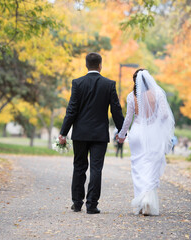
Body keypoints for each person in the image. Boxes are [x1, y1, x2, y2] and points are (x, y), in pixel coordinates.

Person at [59, 52, 124, 214]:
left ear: (86, 65)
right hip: (99, 135)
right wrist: (121, 131)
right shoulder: (109, 84)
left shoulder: (78, 83)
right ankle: (92, 204)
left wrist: (63, 133)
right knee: (96, 168)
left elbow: (71, 110)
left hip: (80, 133)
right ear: (100, 65)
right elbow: (116, 110)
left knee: (79, 167)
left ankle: (77, 203)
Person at [117, 69, 175, 216]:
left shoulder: (132, 96)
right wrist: (155, 123)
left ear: (135, 81)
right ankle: (147, 201)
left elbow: (128, 119)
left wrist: (122, 134)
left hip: (137, 133)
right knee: (151, 165)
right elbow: (164, 115)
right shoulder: (158, 93)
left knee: (138, 167)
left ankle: (141, 203)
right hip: (152, 133)